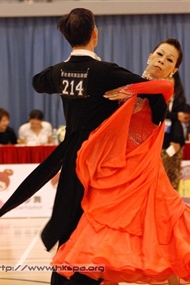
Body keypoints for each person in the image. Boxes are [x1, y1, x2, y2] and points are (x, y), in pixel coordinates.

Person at [0, 8, 163, 285]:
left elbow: (38, 81)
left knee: (71, 224)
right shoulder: (105, 72)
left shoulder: (60, 72)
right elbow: (148, 87)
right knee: (96, 223)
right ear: (94, 34)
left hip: (73, 160)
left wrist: (65, 73)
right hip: (100, 162)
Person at [51, 39, 190, 284]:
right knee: (112, 235)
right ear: (149, 55)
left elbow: (159, 87)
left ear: (174, 71)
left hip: (144, 174)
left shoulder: (162, 89)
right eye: (159, 54)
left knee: (165, 229)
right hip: (116, 170)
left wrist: (130, 90)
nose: (161, 61)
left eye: (169, 60)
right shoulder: (124, 82)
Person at [161, 72, 189, 190]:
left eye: (170, 77)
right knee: (159, 179)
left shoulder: (182, 104)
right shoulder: (158, 99)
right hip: (159, 145)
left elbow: (184, 122)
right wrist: (176, 115)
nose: (168, 79)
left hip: (175, 146)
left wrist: (178, 141)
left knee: (172, 180)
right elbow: (159, 114)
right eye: (165, 76)